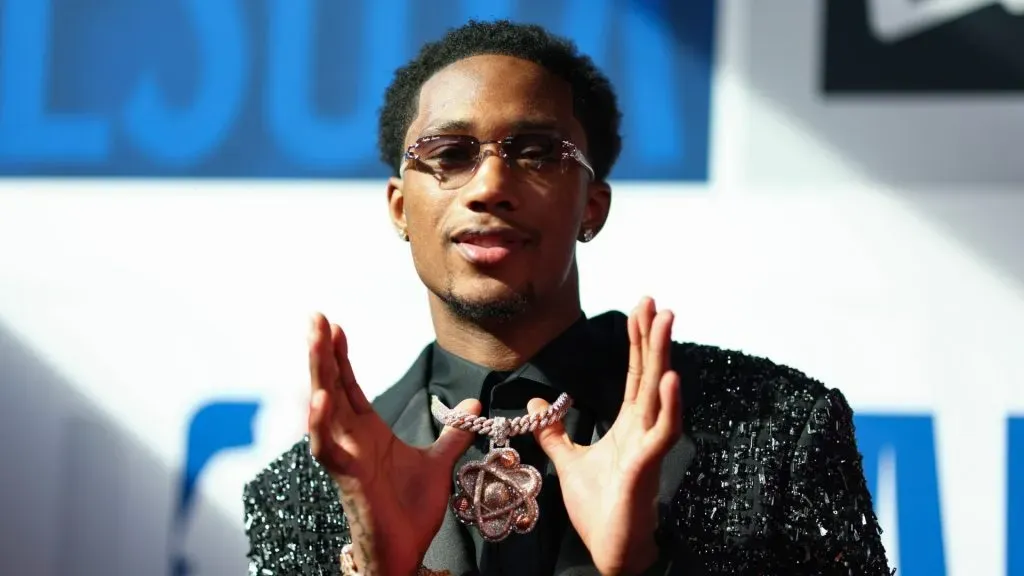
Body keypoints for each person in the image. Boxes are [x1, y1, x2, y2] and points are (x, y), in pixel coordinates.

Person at [242, 19, 893, 576]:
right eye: (450, 152)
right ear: (399, 208)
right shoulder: (305, 492)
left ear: (593, 206)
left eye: (534, 151)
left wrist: (640, 566)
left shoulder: (773, 427)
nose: (490, 185)